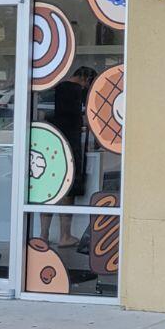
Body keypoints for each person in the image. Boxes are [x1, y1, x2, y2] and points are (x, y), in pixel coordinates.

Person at [39, 66, 96, 246]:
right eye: (89, 82)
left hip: (52, 142)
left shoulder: (56, 88)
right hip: (70, 143)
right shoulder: (76, 91)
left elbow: (44, 114)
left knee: (50, 189)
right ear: (85, 78)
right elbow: (81, 119)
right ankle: (65, 235)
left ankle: (43, 236)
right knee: (68, 190)